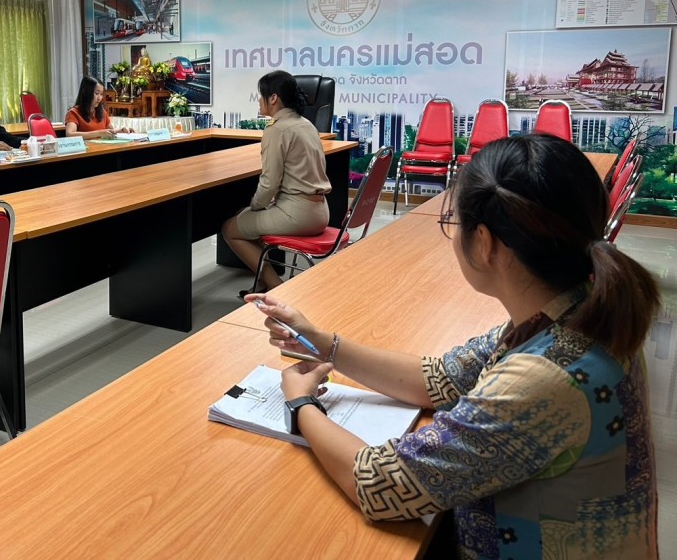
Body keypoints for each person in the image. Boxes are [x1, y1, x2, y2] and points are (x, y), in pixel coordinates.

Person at [251, 134, 659, 559]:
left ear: (484, 242)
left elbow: (377, 483)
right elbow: (441, 379)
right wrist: (322, 343)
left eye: (455, 224)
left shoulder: (542, 378)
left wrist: (301, 404)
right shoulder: (577, 307)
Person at [221, 70, 330, 297]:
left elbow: (269, 184)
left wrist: (256, 206)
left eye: (261, 95)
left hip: (297, 215)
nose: (258, 100)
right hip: (319, 211)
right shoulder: (306, 124)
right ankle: (262, 282)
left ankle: (277, 288)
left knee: (230, 229)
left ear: (273, 98)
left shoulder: (277, 129)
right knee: (246, 217)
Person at [64, 76, 134, 140]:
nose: (99, 98)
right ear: (86, 92)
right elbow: (70, 134)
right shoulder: (73, 113)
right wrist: (99, 133)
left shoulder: (102, 112)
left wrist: (121, 130)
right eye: (96, 93)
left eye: (101, 94)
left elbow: (110, 131)